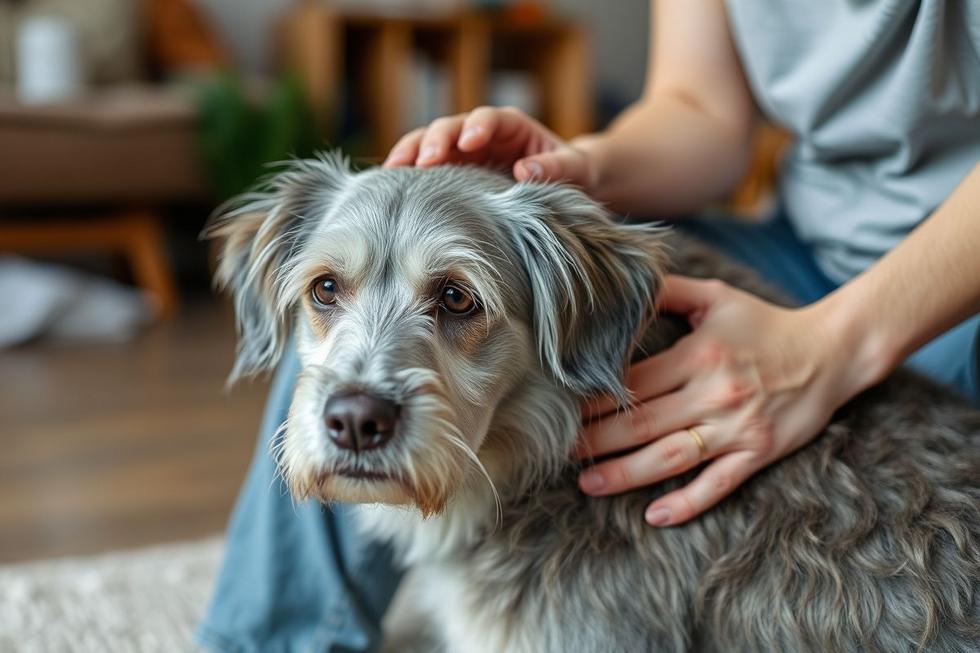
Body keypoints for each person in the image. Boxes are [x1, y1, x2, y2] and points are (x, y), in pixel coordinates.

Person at [198, 1, 980, 650]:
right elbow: (701, 110)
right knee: (328, 373)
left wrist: (831, 346)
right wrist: (577, 168)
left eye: (456, 301)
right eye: (328, 287)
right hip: (812, 240)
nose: (366, 385)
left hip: (960, 290)